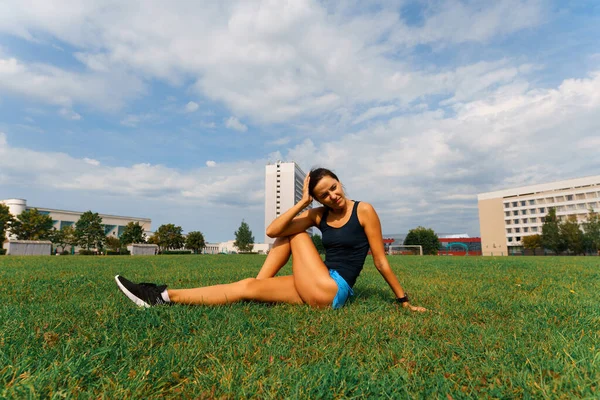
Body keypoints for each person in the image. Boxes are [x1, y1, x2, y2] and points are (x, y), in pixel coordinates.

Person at [115, 168, 426, 312]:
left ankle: (259, 287)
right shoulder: (318, 214)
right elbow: (273, 230)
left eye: (334, 187)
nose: (334, 196)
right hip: (316, 281)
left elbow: (380, 260)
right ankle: (162, 296)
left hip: (333, 289)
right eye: (324, 195)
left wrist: (404, 301)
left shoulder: (364, 210)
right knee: (248, 285)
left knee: (297, 235)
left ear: (340, 181)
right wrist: (304, 204)